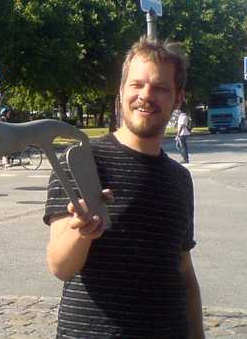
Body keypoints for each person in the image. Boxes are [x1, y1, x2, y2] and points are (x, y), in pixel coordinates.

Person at [44, 36, 204, 338]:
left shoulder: (180, 179)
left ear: (178, 98)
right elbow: (60, 266)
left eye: (160, 88)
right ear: (121, 91)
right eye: (137, 84)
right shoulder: (81, 160)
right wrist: (83, 231)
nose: (146, 95)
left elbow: (184, 271)